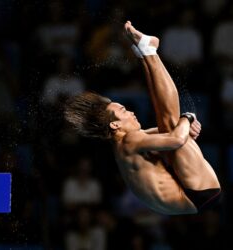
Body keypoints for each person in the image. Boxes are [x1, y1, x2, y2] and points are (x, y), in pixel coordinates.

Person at [64, 21, 221, 215]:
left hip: (193, 195)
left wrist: (185, 126)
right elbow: (176, 139)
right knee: (171, 122)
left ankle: (144, 52)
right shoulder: (130, 140)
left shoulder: (123, 145)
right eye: (123, 110)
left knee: (168, 125)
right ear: (115, 124)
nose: (130, 111)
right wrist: (187, 118)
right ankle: (147, 51)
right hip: (197, 193)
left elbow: (164, 134)